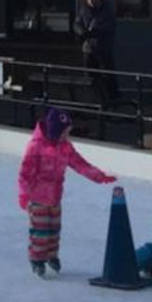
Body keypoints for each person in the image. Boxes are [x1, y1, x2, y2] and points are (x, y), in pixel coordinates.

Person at [16, 106, 116, 276]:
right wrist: (24, 194)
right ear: (55, 130)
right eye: (64, 132)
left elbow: (80, 164)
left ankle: (52, 256)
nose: (66, 136)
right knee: (40, 230)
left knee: (54, 229)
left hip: (55, 196)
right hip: (37, 196)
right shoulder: (35, 146)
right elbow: (24, 173)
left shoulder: (65, 147)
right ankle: (37, 259)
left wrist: (99, 176)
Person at [76, 0, 118, 103]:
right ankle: (94, 100)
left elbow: (110, 26)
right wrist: (83, 33)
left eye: (94, 0)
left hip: (103, 48)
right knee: (90, 76)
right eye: (90, 1)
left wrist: (96, 32)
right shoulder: (84, 9)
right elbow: (77, 23)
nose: (92, 3)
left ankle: (113, 100)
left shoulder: (107, 9)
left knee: (108, 75)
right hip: (89, 49)